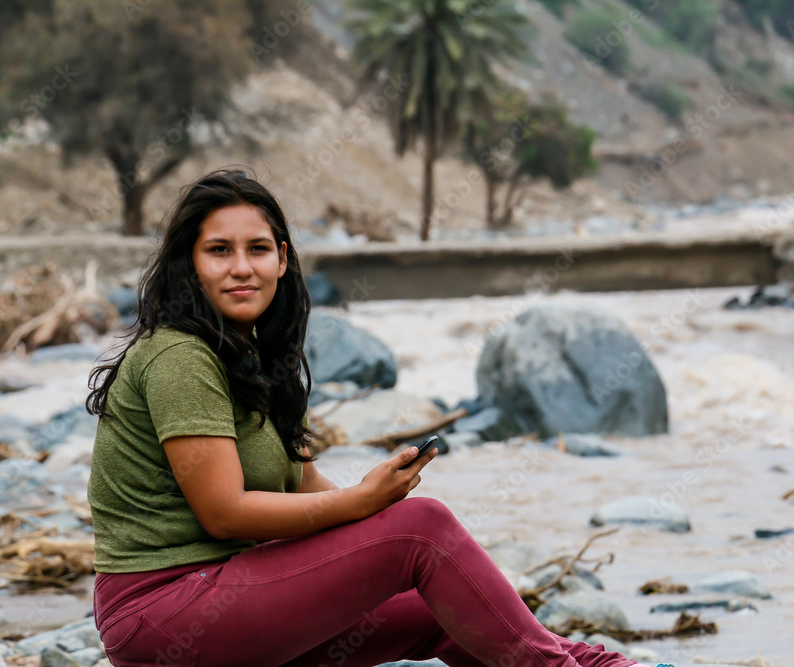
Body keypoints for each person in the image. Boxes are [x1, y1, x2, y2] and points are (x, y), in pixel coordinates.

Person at [86, 168, 638, 667]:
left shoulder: (257, 358)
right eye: (219, 251)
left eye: (257, 249)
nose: (241, 268)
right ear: (190, 265)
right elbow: (224, 515)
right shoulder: (180, 355)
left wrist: (373, 505)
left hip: (230, 592)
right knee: (423, 529)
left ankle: (606, 666)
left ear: (282, 258)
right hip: (163, 611)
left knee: (447, 611)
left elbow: (304, 485)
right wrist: (367, 507)